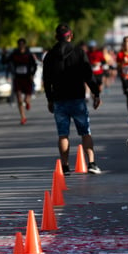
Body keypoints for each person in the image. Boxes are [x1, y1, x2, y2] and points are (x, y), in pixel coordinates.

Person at [43, 23, 102, 175]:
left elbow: (46, 80)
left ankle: (65, 166)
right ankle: (91, 163)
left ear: (56, 37)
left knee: (63, 134)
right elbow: (88, 74)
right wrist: (96, 93)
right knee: (85, 132)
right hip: (77, 99)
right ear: (71, 36)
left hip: (59, 100)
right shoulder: (78, 52)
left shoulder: (49, 56)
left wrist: (50, 99)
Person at [2, 38, 37, 125]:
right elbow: (5, 61)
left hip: (27, 78)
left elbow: (34, 65)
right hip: (18, 78)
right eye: (19, 44)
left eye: (22, 44)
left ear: (24, 45)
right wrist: (3, 54)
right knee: (19, 99)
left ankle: (27, 102)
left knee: (26, 99)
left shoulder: (29, 54)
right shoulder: (15, 54)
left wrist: (32, 74)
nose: (21, 46)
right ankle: (23, 117)